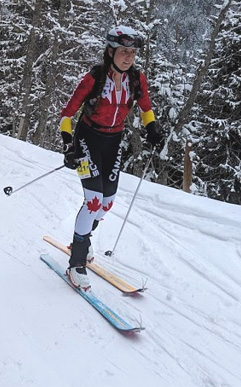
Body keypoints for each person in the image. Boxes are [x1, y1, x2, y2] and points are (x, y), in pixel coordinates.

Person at [58, 26, 163, 291]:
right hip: (86, 140)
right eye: (123, 51)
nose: (129, 57)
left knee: (106, 204)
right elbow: (67, 114)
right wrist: (68, 144)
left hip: (113, 142)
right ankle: (76, 262)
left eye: (132, 52)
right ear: (110, 51)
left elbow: (146, 107)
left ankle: (83, 237)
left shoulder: (137, 79)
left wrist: (152, 127)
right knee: (93, 202)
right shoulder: (94, 77)